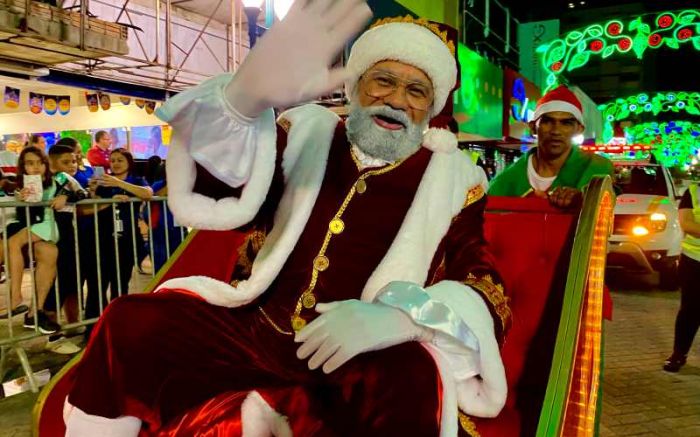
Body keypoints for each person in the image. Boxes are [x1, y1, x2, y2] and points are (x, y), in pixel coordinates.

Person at [66, 7, 511, 436]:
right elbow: (227, 193)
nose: (396, 100)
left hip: (353, 358)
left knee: (411, 377)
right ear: (355, 86)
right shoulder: (305, 133)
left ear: (431, 107)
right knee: (133, 321)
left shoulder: (454, 180)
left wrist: (401, 318)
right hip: (256, 332)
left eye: (416, 91)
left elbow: (480, 280)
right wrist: (239, 106)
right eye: (384, 81)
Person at [0, 147, 84, 334]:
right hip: (39, 228)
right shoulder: (22, 185)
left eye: (39, 163)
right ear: (23, 167)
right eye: (30, 163)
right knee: (44, 252)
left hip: (51, 226)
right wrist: (22, 200)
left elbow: (82, 193)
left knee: (14, 242)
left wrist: (65, 196)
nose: (36, 167)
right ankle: (34, 311)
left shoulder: (59, 178)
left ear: (46, 164)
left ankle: (16, 297)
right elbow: (24, 216)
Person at [489, 86, 614, 208]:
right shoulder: (504, 182)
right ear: (533, 127)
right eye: (547, 121)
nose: (556, 131)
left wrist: (583, 200)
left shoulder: (597, 169)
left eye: (566, 123)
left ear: (579, 129)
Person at [83, 148, 152, 329]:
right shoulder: (103, 181)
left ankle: (119, 322)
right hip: (102, 237)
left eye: (120, 160)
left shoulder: (136, 180)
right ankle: (94, 325)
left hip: (126, 239)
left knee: (120, 282)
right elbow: (92, 202)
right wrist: (95, 191)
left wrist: (119, 183)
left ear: (129, 161)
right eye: (112, 160)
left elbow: (147, 194)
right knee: (98, 282)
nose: (115, 163)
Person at [43, 143, 88, 354]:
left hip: (65, 233)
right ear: (51, 161)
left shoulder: (65, 178)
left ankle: (61, 326)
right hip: (46, 234)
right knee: (52, 282)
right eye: (66, 161)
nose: (72, 165)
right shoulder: (43, 179)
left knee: (68, 279)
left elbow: (82, 194)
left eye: (73, 161)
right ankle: (52, 334)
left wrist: (66, 197)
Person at [664, 183, 700, 372]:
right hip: (694, 261)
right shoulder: (694, 191)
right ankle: (678, 354)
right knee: (690, 311)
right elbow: (687, 223)